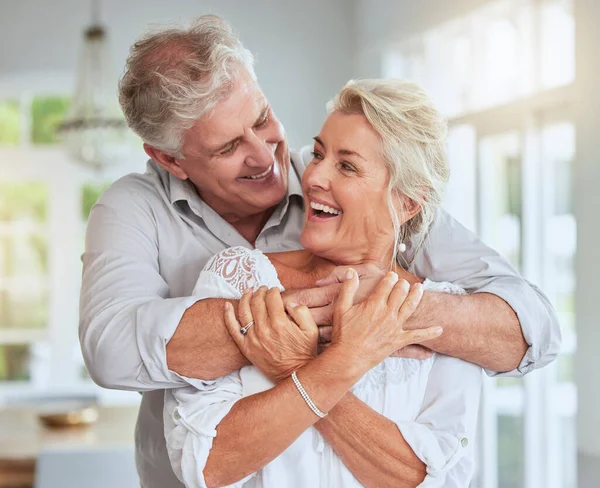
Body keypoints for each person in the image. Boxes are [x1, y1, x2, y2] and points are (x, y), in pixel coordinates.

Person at [78, 15, 560, 488]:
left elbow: (531, 328)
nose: (267, 156)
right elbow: (112, 350)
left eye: (262, 119)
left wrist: (401, 313)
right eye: (228, 147)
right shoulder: (138, 212)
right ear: (169, 160)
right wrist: (328, 320)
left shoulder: (374, 199)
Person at [164, 78, 483, 488]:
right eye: (318, 154)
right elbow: (206, 465)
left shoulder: (444, 315)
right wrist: (335, 368)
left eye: (346, 165)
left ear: (406, 203)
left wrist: (297, 367)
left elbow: (430, 478)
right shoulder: (239, 276)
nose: (312, 176)